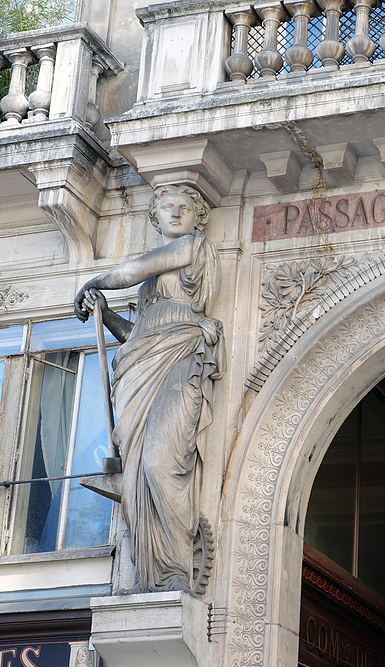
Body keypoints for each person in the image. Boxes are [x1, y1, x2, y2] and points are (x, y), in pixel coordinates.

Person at [74, 185, 224, 592]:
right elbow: (137, 334)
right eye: (166, 208)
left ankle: (176, 564)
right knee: (139, 472)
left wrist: (93, 282)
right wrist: (105, 315)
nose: (175, 214)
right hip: (141, 365)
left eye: (184, 208)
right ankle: (153, 574)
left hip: (180, 356)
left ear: (199, 217)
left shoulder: (191, 246)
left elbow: (130, 272)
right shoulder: (152, 287)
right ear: (153, 216)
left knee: (160, 463)